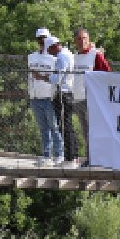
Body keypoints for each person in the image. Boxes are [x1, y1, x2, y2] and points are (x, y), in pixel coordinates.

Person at [71, 28, 111, 165]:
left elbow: (107, 74)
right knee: (85, 131)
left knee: (94, 131)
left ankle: (97, 159)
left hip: (91, 99)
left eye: (85, 38)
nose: (82, 41)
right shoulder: (74, 57)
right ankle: (90, 158)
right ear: (75, 41)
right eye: (79, 39)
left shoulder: (96, 55)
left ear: (89, 39)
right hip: (77, 98)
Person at [28, 33, 62, 167]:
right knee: (43, 128)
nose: (42, 41)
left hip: (49, 97)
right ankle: (47, 155)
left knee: (54, 127)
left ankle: (59, 154)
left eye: (44, 38)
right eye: (40, 39)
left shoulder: (54, 58)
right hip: (35, 96)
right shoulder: (31, 57)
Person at [48, 36, 78, 167]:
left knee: (64, 127)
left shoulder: (61, 57)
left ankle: (70, 158)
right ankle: (73, 156)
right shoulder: (69, 54)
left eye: (49, 50)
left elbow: (57, 78)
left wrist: (46, 76)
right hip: (69, 92)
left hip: (62, 94)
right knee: (67, 125)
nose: (49, 53)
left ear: (54, 46)